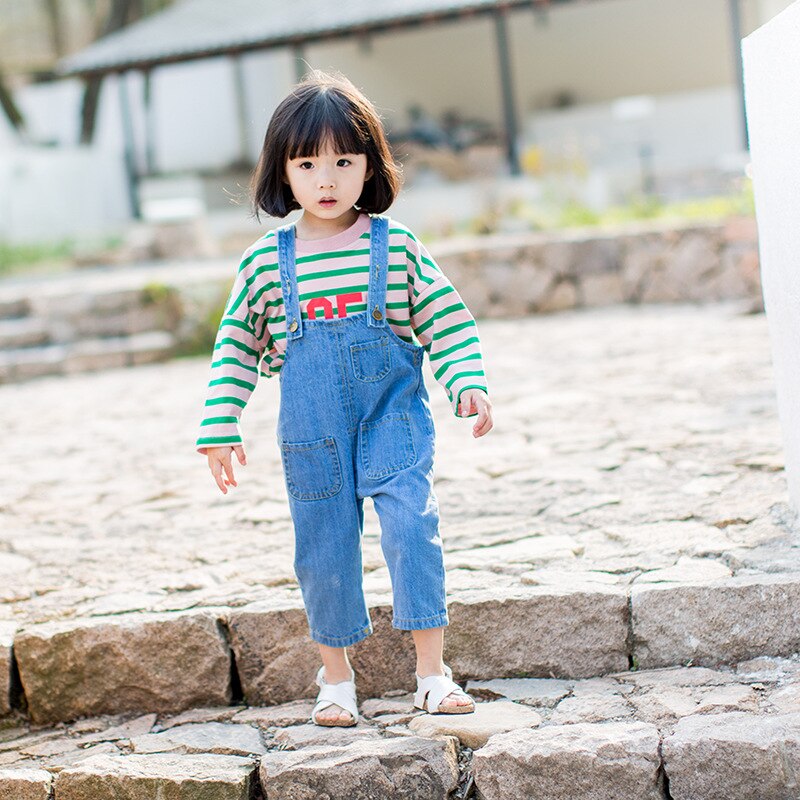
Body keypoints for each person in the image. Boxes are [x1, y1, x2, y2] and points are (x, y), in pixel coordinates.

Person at [195, 69, 493, 728]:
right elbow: (237, 347)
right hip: (313, 436)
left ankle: (431, 674)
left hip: (392, 422)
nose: (326, 180)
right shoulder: (265, 265)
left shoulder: (398, 248)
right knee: (323, 549)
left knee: (414, 529)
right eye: (307, 163)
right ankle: (336, 680)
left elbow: (447, 320)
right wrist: (220, 424)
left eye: (343, 161)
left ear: (369, 167)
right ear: (283, 172)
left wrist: (466, 379)